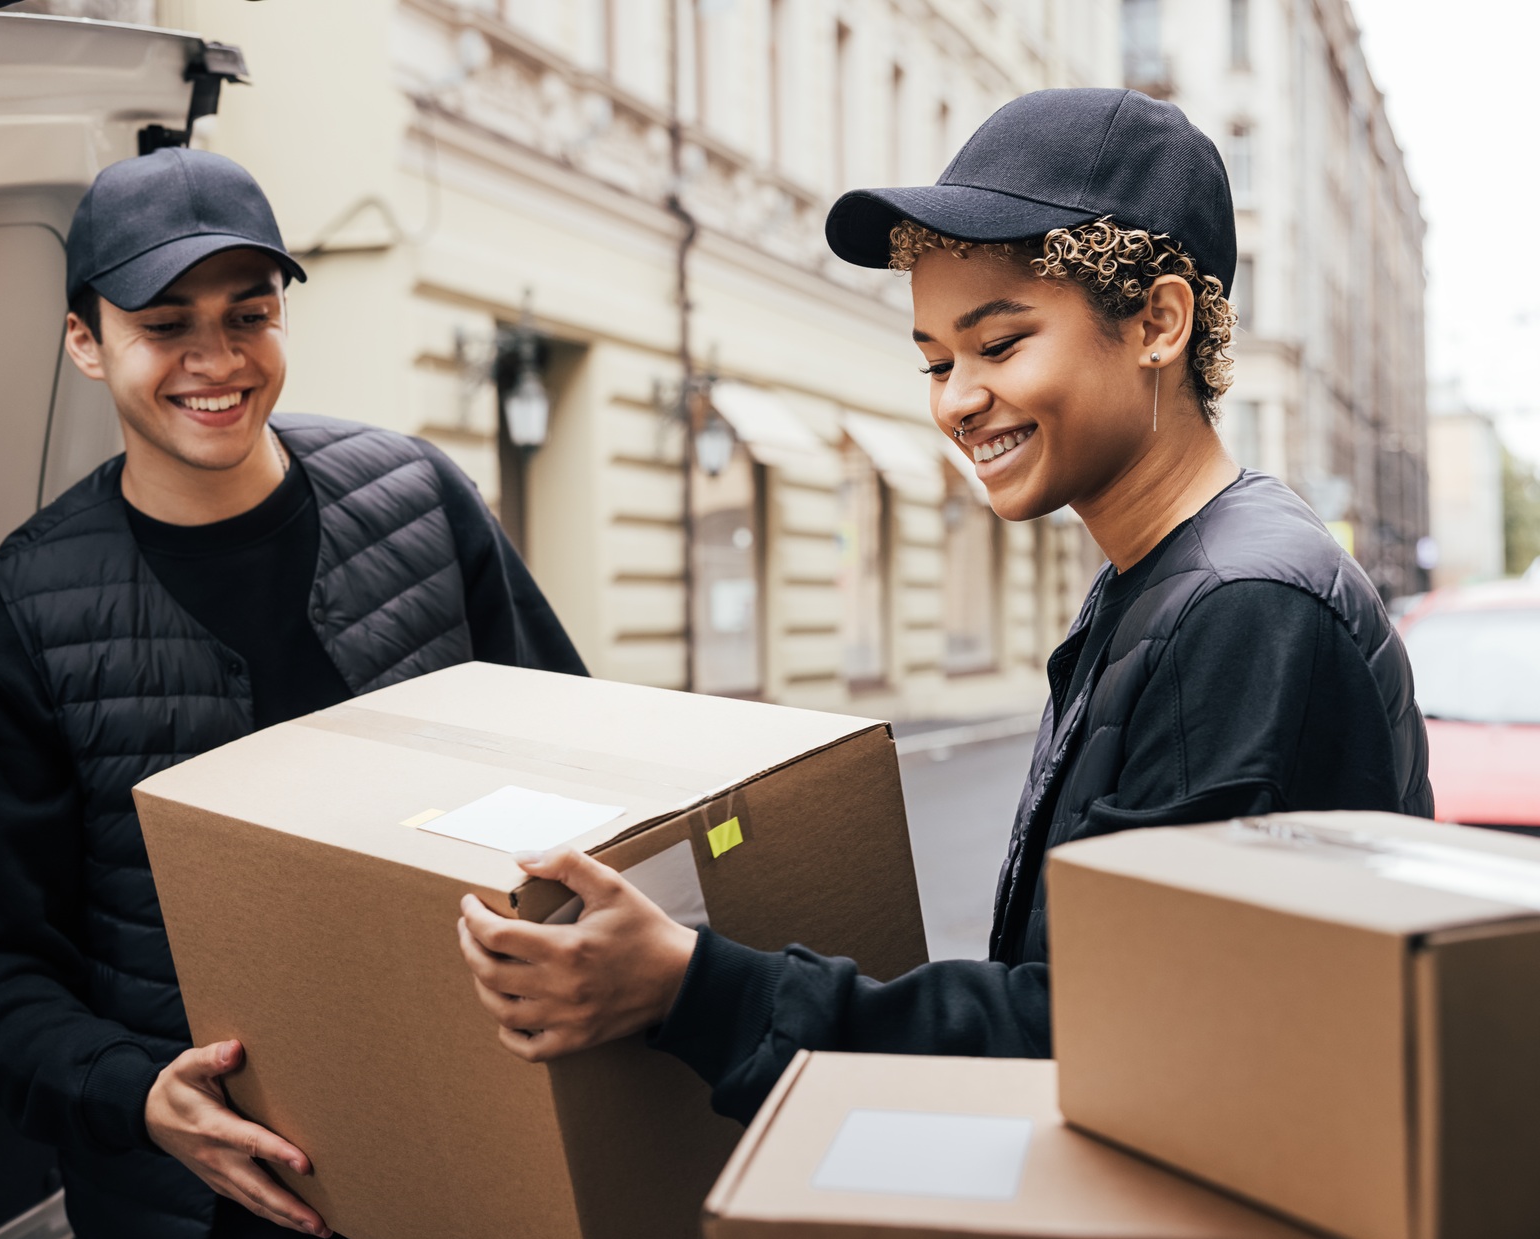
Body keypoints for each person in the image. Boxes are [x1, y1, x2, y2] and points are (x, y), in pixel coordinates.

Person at [454, 87, 1431, 1124]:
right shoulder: (1174, 574)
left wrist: (692, 988)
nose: (956, 399)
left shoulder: (1241, 604)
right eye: (933, 360)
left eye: (998, 344)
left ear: (1155, 321)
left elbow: (1101, 1038)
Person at [0, 148, 585, 1239]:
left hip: (480, 1165)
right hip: (199, 1234)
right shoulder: (14, 623)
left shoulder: (420, 502)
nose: (215, 361)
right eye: (165, 324)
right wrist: (138, 1096)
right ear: (84, 341)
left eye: (248, 316)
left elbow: (578, 762)